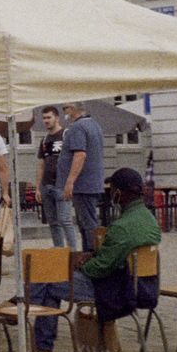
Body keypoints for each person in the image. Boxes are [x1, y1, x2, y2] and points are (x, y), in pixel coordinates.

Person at [26, 167, 162, 352]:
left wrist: (81, 264)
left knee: (48, 280)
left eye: (112, 189)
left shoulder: (121, 227)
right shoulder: (149, 219)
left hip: (117, 291)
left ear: (119, 192)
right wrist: (92, 255)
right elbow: (117, 254)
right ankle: (30, 320)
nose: (110, 193)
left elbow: (98, 269)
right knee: (50, 280)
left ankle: (38, 340)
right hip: (145, 286)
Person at [60, 99, 107, 251]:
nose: (64, 113)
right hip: (92, 182)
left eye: (65, 108)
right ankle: (89, 254)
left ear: (73, 109)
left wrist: (70, 182)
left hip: (83, 184)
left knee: (87, 224)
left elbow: (80, 155)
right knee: (88, 223)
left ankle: (93, 256)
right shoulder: (94, 125)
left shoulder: (77, 127)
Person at [35, 106, 78, 249]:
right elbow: (41, 164)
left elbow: (76, 158)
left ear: (57, 118)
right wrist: (38, 188)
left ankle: (73, 252)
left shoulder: (66, 134)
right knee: (53, 222)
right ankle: (59, 252)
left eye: (49, 117)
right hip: (46, 185)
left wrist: (71, 182)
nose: (46, 121)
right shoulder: (44, 140)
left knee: (65, 220)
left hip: (62, 185)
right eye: (44, 118)